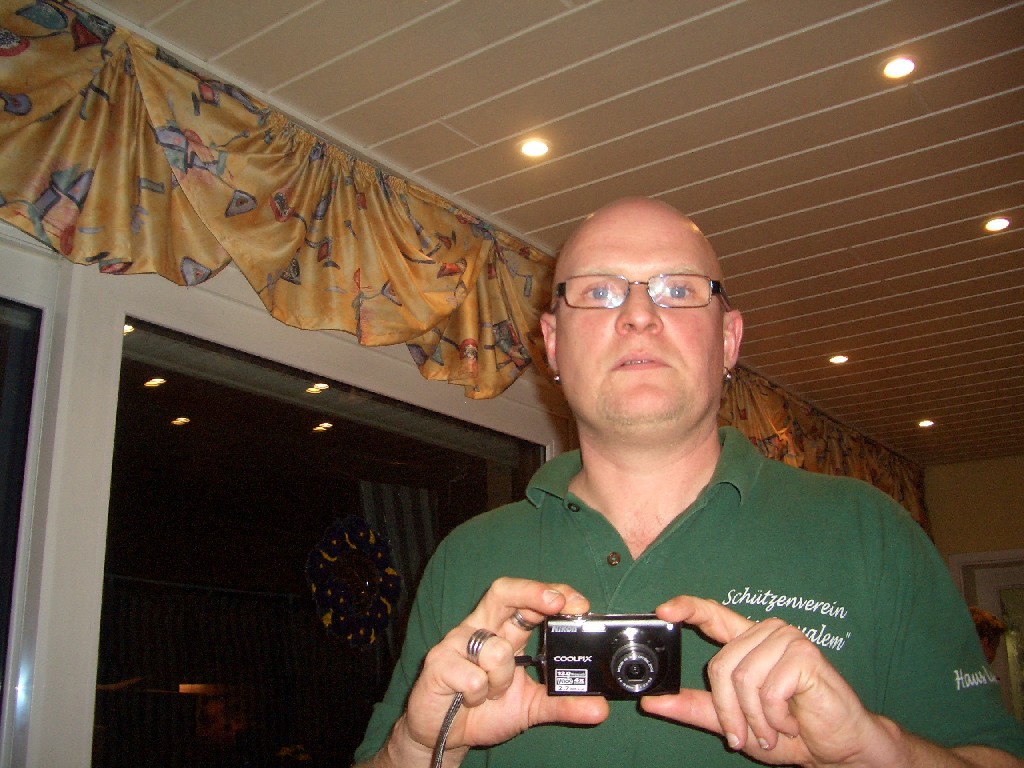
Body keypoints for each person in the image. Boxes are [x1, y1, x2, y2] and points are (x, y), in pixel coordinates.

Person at [353, 198, 1024, 767]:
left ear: (728, 340)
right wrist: (419, 746)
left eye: (677, 290)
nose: (638, 315)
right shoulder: (467, 558)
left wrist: (873, 752)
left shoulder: (869, 531)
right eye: (599, 291)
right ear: (552, 344)